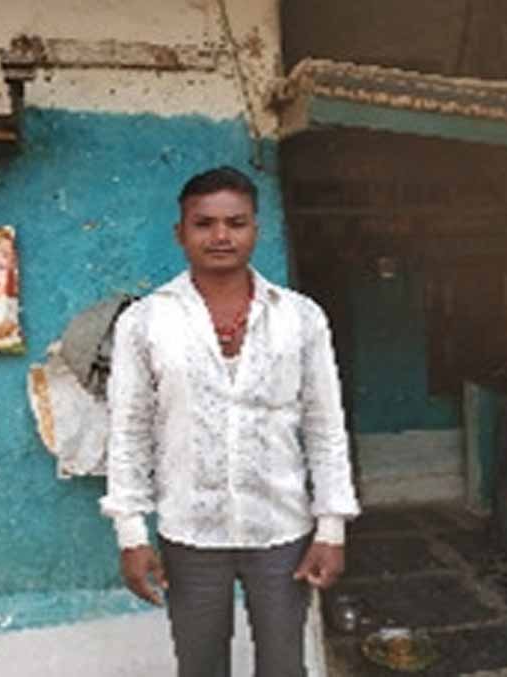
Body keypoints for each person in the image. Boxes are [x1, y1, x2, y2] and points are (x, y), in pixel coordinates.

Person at [99, 166, 360, 677]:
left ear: (255, 230)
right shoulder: (145, 321)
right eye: (204, 223)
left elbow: (325, 426)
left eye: (236, 223)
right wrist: (131, 533)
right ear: (180, 232)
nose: (221, 236)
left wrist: (331, 528)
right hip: (190, 531)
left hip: (282, 530)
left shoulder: (300, 317)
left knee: (284, 667)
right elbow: (128, 431)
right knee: (200, 667)